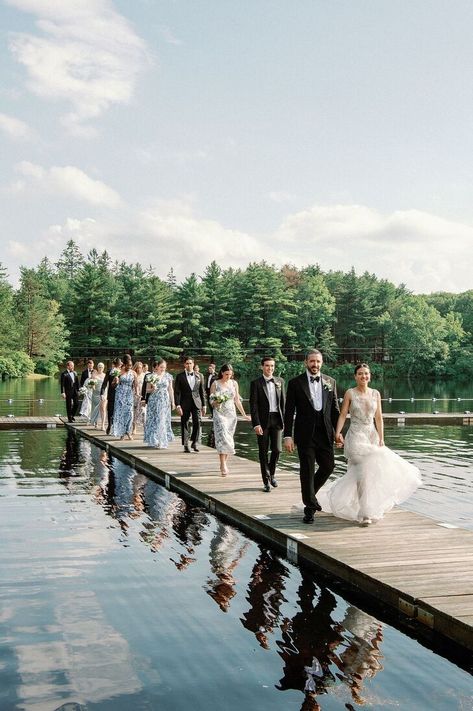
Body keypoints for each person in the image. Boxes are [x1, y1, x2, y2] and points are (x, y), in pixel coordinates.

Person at [320, 363, 422, 526]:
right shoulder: (350, 393)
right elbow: (342, 415)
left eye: (366, 374)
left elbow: (379, 417)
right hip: (355, 436)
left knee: (372, 473)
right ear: (355, 376)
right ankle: (365, 512)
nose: (363, 376)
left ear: (370, 376)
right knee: (361, 474)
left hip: (371, 435)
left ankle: (365, 504)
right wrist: (337, 433)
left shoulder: (375, 393)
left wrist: (381, 438)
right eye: (360, 374)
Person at [284, 349, 339, 524]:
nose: (315, 365)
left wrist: (338, 432)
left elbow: (335, 410)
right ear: (306, 362)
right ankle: (310, 508)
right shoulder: (295, 383)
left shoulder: (330, 382)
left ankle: (309, 499)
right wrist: (287, 436)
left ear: (321, 363)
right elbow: (288, 411)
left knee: (329, 466)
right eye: (312, 361)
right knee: (307, 470)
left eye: (318, 362)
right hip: (305, 434)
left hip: (325, 433)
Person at [250, 356, 285, 492]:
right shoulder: (256, 383)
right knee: (263, 451)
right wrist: (256, 424)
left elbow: (283, 403)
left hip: (277, 419)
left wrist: (285, 422)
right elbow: (253, 406)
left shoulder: (280, 381)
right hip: (263, 421)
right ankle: (266, 481)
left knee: (277, 450)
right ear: (262, 367)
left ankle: (272, 473)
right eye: (267, 366)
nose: (270, 368)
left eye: (272, 366)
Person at [209, 363, 251, 475]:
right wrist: (216, 402)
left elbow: (237, 400)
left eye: (230, 374)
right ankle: (223, 464)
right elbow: (211, 401)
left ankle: (224, 463)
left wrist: (244, 414)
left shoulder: (234, 383)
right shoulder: (215, 383)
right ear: (222, 373)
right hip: (219, 413)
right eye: (226, 374)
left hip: (231, 414)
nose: (228, 376)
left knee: (228, 438)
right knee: (222, 436)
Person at [174, 356, 205, 453]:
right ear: (184, 364)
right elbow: (177, 392)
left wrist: (204, 405)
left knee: (197, 422)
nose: (188, 365)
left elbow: (202, 391)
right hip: (184, 403)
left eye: (190, 363)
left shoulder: (200, 376)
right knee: (184, 423)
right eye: (187, 363)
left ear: (193, 364)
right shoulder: (180, 376)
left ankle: (194, 442)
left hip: (196, 403)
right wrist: (178, 405)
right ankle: (186, 444)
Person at [143, 358, 175, 449]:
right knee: (154, 420)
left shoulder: (168, 376)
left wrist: (173, 402)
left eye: (164, 367)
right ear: (157, 366)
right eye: (161, 367)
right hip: (154, 400)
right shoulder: (151, 376)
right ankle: (154, 440)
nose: (163, 369)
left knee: (163, 420)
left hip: (164, 400)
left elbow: (170, 389)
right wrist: (152, 389)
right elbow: (147, 389)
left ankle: (162, 441)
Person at [112, 354, 136, 440]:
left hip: (129, 394)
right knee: (121, 414)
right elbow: (113, 385)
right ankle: (122, 433)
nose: (130, 367)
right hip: (120, 394)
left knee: (130, 413)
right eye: (128, 365)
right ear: (125, 364)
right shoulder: (119, 372)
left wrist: (137, 393)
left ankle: (128, 432)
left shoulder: (133, 373)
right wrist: (116, 381)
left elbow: (136, 385)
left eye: (131, 365)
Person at [101, 357, 122, 435]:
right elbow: (104, 383)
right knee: (110, 411)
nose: (121, 364)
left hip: (120, 394)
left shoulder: (122, 371)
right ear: (117, 363)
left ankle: (116, 427)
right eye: (120, 363)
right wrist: (102, 393)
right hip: (111, 394)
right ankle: (110, 425)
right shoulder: (109, 371)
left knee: (118, 411)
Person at [90, 362, 106, 429]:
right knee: (95, 408)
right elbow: (91, 383)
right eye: (99, 367)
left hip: (103, 393)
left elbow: (106, 385)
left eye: (102, 367)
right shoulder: (94, 375)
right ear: (97, 367)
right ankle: (96, 422)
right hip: (95, 393)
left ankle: (102, 424)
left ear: (103, 368)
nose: (100, 368)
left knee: (103, 409)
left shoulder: (105, 375)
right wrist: (92, 385)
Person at [132, 361, 145, 434]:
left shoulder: (144, 375)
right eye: (137, 368)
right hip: (134, 394)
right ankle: (134, 428)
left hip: (142, 395)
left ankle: (144, 427)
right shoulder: (134, 375)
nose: (139, 369)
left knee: (143, 411)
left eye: (140, 368)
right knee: (134, 411)